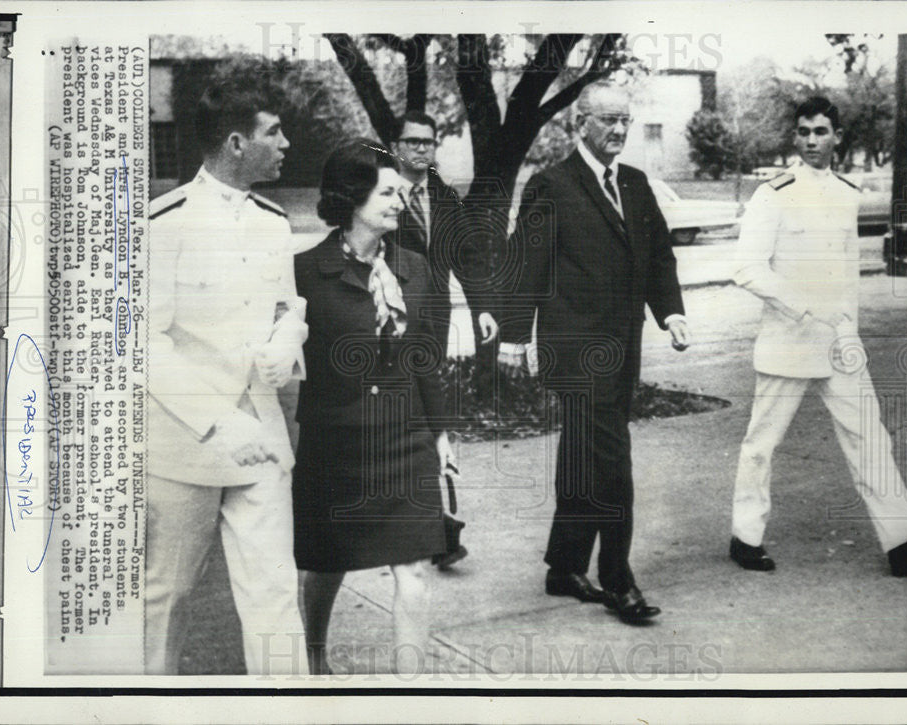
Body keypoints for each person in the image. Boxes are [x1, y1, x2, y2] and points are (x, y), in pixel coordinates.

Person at [497, 83, 690, 625]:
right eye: (608, 120)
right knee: (612, 459)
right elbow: (526, 264)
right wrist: (514, 338)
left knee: (583, 455)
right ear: (579, 124)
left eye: (626, 121)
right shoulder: (551, 186)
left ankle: (563, 566)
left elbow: (657, 256)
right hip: (575, 352)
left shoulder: (634, 183)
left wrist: (670, 312)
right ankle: (618, 577)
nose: (620, 131)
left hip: (623, 349)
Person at [145, 77, 308, 674]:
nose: (286, 143)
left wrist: (289, 335)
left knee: (273, 594)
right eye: (274, 132)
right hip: (184, 442)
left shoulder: (272, 220)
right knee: (166, 599)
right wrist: (217, 423)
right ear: (237, 143)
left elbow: (287, 307)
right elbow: (144, 342)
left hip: (261, 434)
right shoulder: (165, 222)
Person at [729, 96, 907, 576]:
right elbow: (747, 268)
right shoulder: (772, 193)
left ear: (837, 136)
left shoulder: (845, 191)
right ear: (795, 138)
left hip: (839, 342)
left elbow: (846, 274)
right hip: (788, 339)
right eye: (804, 132)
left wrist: (849, 330)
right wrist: (803, 306)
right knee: (762, 443)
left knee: (869, 436)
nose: (812, 141)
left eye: (821, 131)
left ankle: (903, 540)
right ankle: (745, 536)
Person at [293, 138, 455, 674]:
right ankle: (312, 661)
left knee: (414, 569)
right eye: (386, 191)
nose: (399, 200)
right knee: (324, 567)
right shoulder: (303, 274)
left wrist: (441, 434)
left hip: (405, 440)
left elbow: (426, 358)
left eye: (401, 192)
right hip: (335, 444)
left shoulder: (416, 268)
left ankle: (411, 692)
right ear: (353, 198)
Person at [389, 111, 500, 570]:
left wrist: (484, 308)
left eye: (428, 142)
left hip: (431, 322)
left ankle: (438, 526)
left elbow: (468, 256)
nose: (421, 149)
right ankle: (422, 524)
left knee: (430, 418)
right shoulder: (380, 192)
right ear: (395, 146)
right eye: (412, 142)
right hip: (389, 322)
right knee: (404, 419)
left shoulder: (444, 197)